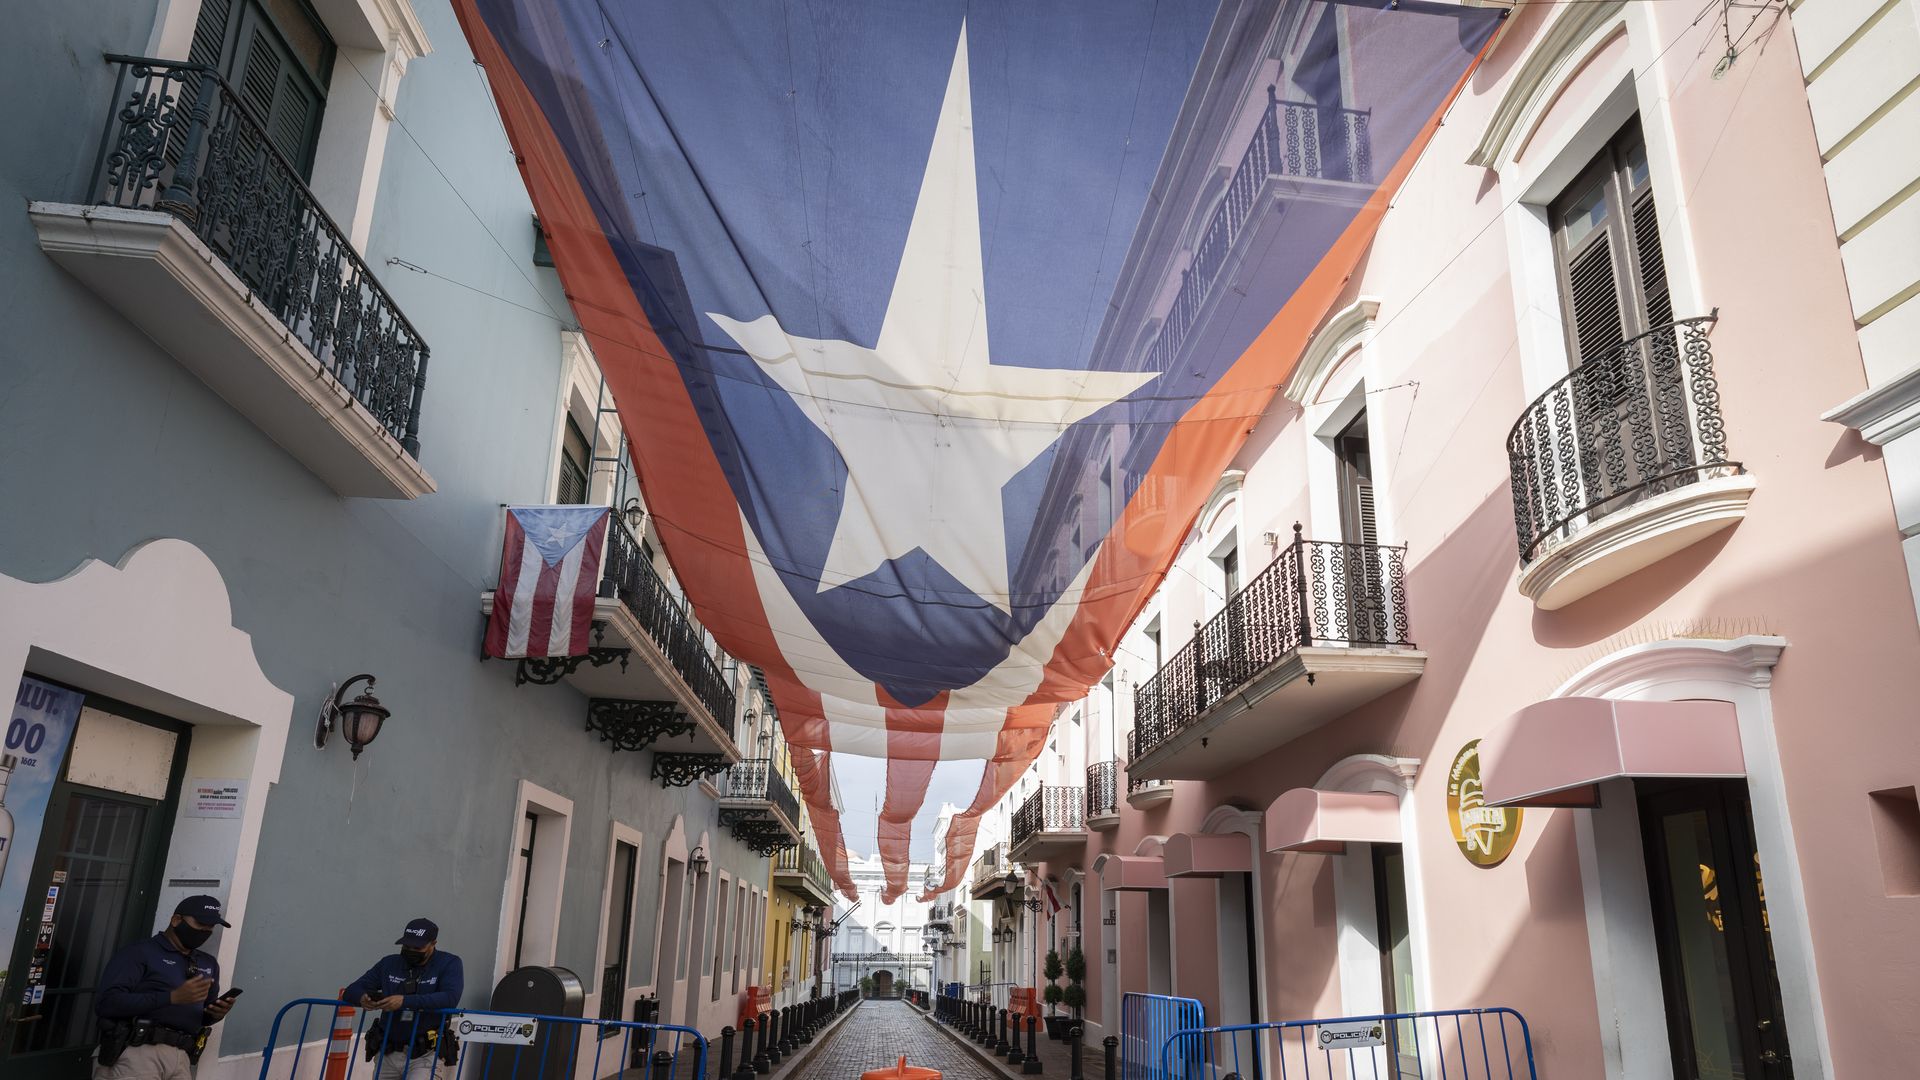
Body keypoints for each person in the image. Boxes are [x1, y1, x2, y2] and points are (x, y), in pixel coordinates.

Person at [93, 895, 238, 1080]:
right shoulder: (140, 952)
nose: (205, 930)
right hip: (136, 1053)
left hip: (181, 1057)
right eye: (200, 923)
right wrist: (171, 997)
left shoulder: (208, 963)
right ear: (176, 920)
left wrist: (216, 1014)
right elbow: (107, 1003)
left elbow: (202, 1014)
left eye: (210, 927)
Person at [344, 918, 464, 1080]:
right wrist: (362, 998)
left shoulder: (449, 963)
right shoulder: (389, 963)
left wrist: (404, 1002)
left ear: (433, 943)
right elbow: (351, 990)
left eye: (418, 947)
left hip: (425, 1055)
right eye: (406, 946)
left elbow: (450, 998)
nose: (411, 950)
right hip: (388, 1051)